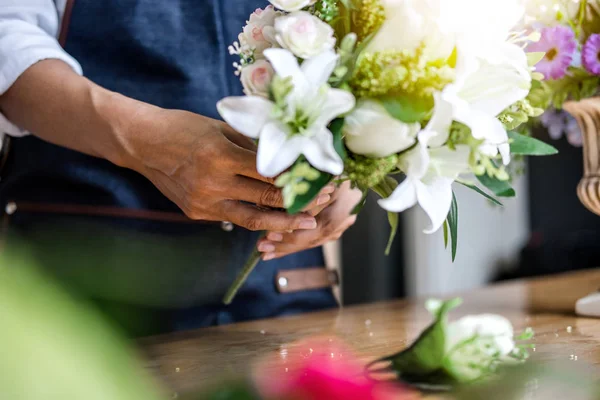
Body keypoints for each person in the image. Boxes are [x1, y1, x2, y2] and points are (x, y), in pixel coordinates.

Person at [0, 0, 361, 336]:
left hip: (286, 294)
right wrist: (144, 140)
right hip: (90, 301)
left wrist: (354, 166)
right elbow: (8, 38)